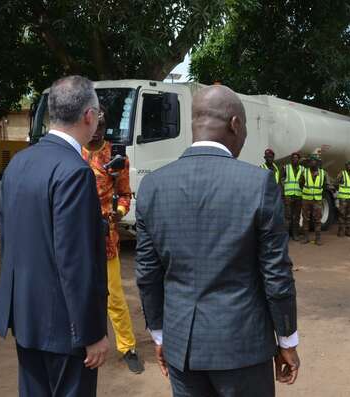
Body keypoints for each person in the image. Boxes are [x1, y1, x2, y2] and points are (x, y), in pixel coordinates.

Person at [135, 84, 300, 397]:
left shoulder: (153, 186)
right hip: (243, 348)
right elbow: (276, 275)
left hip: (181, 347)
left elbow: (146, 273)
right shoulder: (258, 184)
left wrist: (160, 334)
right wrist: (287, 340)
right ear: (235, 124)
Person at [0, 76, 109, 396]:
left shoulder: (19, 163)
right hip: (66, 328)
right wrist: (93, 332)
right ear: (88, 116)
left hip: (27, 319)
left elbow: (9, 240)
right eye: (98, 115)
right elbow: (77, 262)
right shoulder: (75, 171)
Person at [82, 106, 144, 374]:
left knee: (114, 298)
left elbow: (125, 195)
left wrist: (117, 214)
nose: (97, 128)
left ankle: (127, 347)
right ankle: (79, 342)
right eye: (93, 121)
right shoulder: (74, 151)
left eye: (101, 123)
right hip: (76, 239)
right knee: (75, 293)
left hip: (106, 239)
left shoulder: (117, 158)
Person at [299, 154, 326, 245]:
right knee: (305, 219)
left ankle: (318, 239)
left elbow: (324, 186)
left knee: (318, 220)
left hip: (317, 200)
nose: (312, 162)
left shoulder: (322, 173)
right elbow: (301, 184)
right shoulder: (305, 173)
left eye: (314, 161)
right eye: (310, 161)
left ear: (317, 162)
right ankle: (306, 238)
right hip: (306, 199)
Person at [283, 152, 304, 240]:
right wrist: (282, 193)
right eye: (293, 158)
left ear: (299, 160)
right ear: (291, 159)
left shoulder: (303, 169)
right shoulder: (286, 168)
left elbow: (304, 182)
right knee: (287, 217)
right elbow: (281, 180)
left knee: (297, 216)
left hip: (298, 196)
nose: (295, 159)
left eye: (296, 158)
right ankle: (286, 236)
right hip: (288, 196)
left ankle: (295, 235)